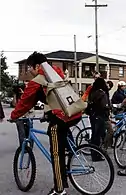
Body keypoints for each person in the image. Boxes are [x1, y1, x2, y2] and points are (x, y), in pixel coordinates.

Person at [10, 52, 82, 195]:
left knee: (56, 153)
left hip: (61, 118)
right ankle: (68, 159)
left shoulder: (37, 81)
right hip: (75, 112)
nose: (28, 71)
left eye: (29, 67)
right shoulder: (56, 73)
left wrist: (13, 116)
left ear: (37, 66)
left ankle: (59, 190)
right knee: (61, 142)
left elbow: (25, 102)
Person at [86, 77, 110, 160]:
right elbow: (104, 106)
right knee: (98, 136)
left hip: (93, 115)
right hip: (100, 116)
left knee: (94, 135)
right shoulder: (102, 93)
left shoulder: (92, 92)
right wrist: (110, 108)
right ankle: (97, 155)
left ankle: (94, 154)